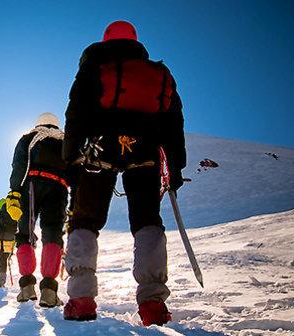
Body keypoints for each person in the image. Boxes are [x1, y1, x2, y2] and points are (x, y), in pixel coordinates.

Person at [61, 21, 186, 326]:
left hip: (99, 149)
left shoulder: (93, 67)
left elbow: (75, 114)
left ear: (104, 40)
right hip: (144, 152)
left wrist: (70, 163)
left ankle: (81, 300)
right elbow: (173, 122)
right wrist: (175, 167)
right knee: (147, 221)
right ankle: (153, 304)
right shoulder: (158, 74)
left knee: (85, 220)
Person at [6, 112, 69, 308]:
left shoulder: (30, 138)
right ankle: (49, 292)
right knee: (52, 234)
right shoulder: (66, 141)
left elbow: (19, 165)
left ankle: (27, 289)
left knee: (25, 233)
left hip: (31, 186)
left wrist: (15, 191)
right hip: (58, 188)